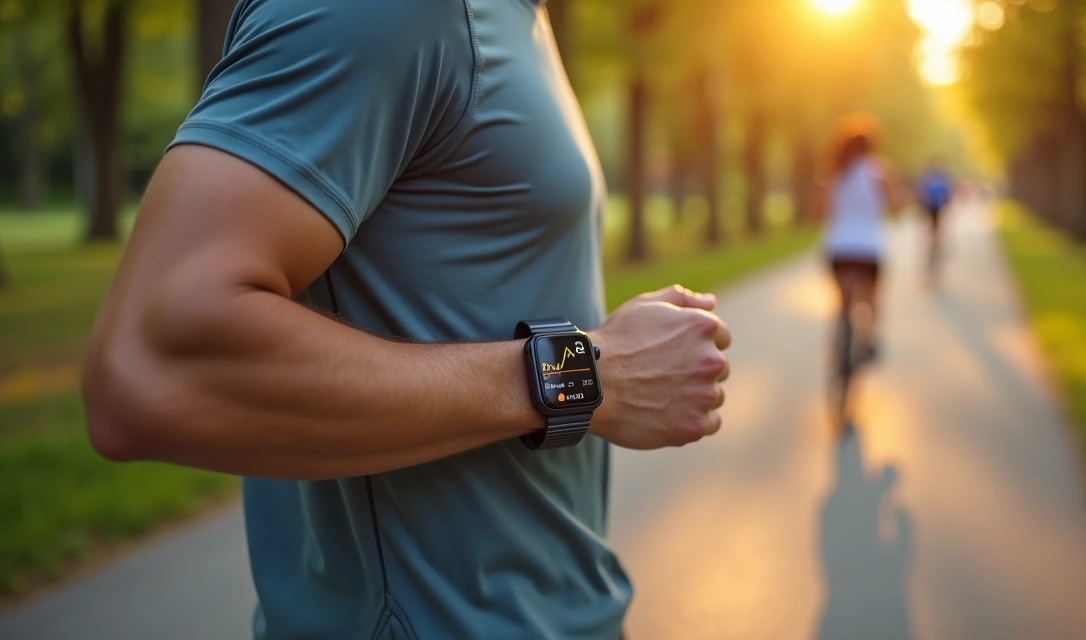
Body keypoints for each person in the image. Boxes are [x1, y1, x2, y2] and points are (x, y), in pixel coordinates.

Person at [80, 1, 731, 638]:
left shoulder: (517, 17)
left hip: (565, 609)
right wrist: (585, 376)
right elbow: (152, 368)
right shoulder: (382, 10)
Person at [814, 113, 904, 355]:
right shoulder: (880, 171)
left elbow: (820, 211)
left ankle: (839, 341)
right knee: (872, 298)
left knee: (842, 301)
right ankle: (869, 341)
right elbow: (896, 208)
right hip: (868, 247)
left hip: (838, 247)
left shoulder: (832, 171)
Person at [916, 156, 954, 275]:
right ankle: (935, 243)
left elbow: (921, 193)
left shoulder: (927, 178)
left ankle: (933, 242)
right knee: (936, 227)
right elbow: (947, 195)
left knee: (932, 228)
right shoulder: (943, 178)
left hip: (931, 207)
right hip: (936, 207)